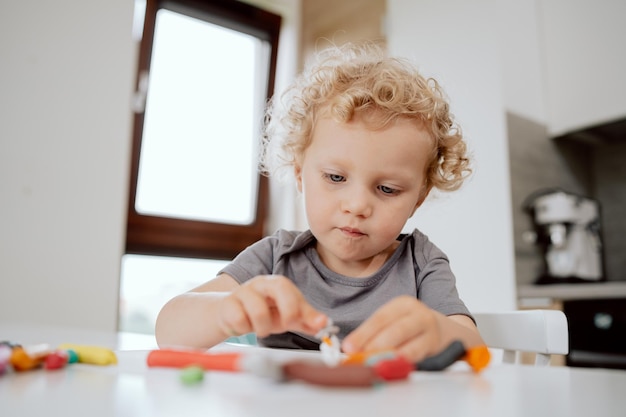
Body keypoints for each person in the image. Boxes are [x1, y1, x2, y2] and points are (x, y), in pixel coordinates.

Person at [155, 42, 484, 363]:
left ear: (418, 199)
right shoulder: (275, 258)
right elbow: (169, 329)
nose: (356, 206)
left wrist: (440, 332)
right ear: (300, 175)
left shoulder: (420, 262)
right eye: (336, 178)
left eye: (386, 189)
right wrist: (224, 310)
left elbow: (475, 350)